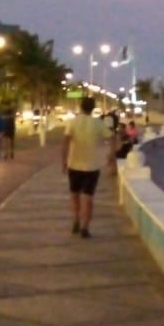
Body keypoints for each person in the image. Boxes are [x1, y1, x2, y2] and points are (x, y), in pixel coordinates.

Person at [61, 96, 112, 237]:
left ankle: (76, 219)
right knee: (88, 198)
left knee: (74, 195)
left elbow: (65, 142)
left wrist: (64, 161)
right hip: (92, 166)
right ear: (93, 108)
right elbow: (111, 138)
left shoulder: (72, 122)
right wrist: (111, 155)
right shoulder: (98, 123)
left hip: (74, 164)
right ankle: (85, 227)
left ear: (81, 107)